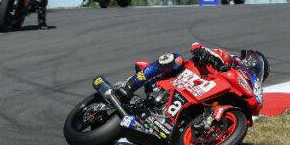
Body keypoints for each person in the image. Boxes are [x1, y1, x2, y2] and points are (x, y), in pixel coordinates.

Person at [115, 42, 270, 101]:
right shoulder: (228, 60)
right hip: (177, 78)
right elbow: (196, 46)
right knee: (175, 59)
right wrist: (206, 55)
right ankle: (129, 86)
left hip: (194, 95)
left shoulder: (234, 87)